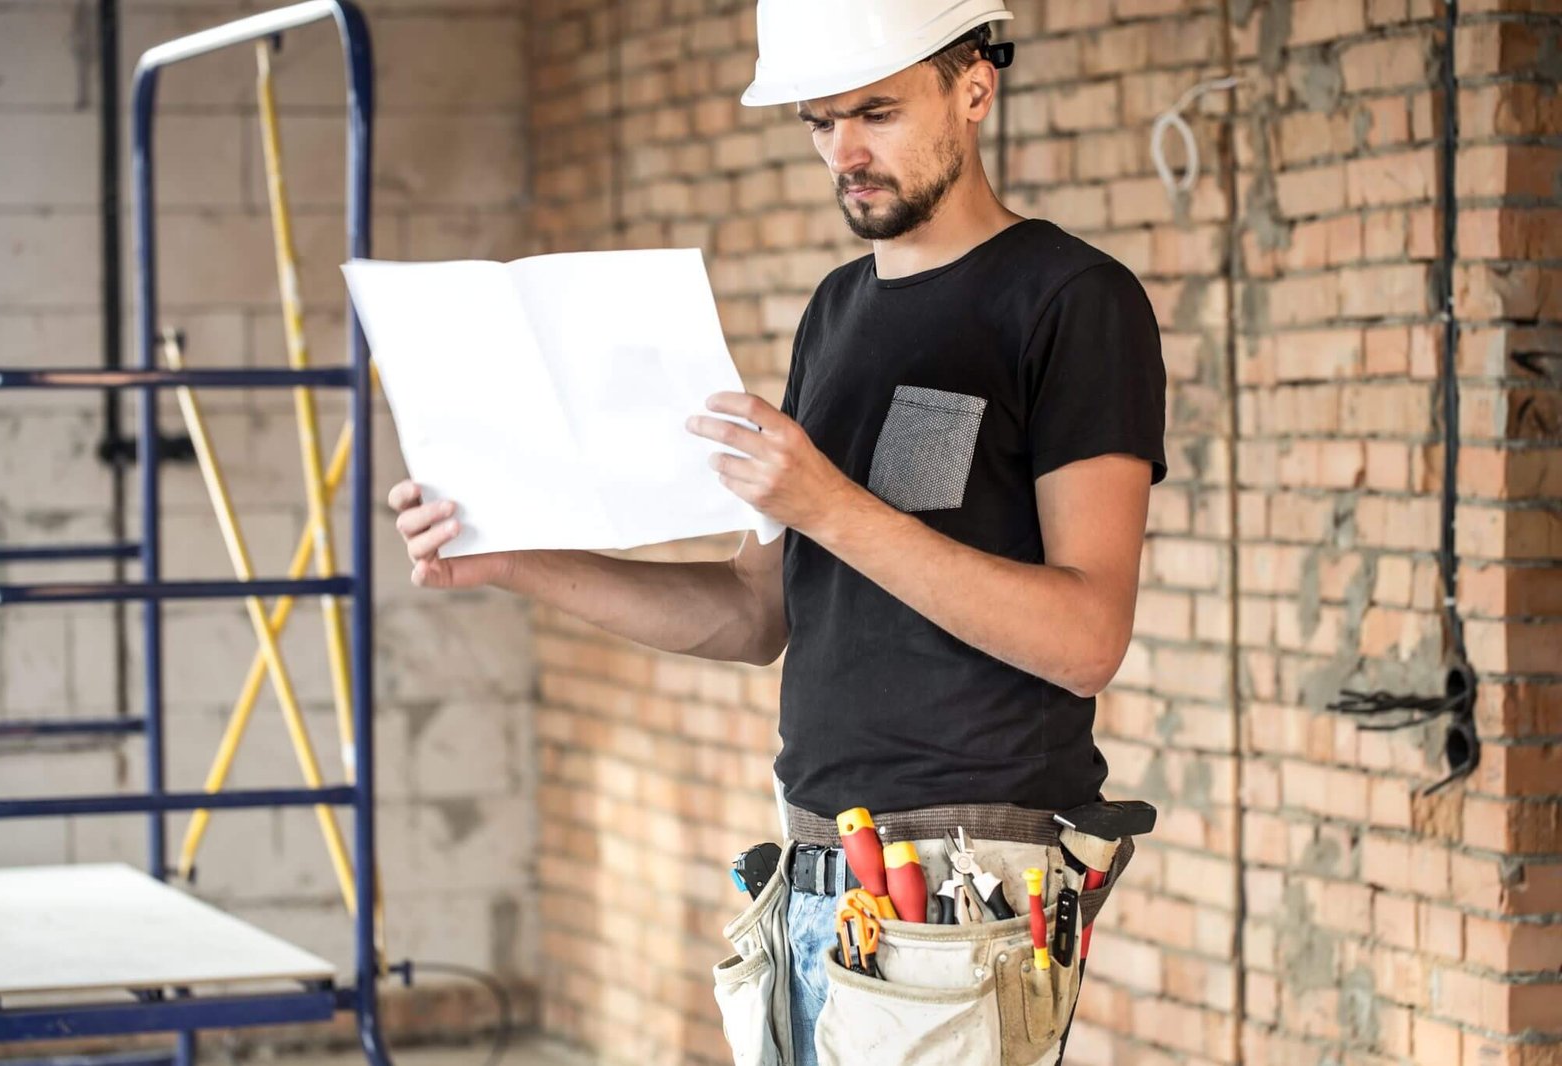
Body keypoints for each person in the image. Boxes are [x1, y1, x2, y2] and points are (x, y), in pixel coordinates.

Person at [388, 2, 1167, 1062]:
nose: (843, 151)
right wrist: (511, 554)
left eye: (877, 112)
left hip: (967, 877)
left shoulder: (1073, 301)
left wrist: (826, 503)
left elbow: (1087, 638)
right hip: (817, 864)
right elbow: (755, 614)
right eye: (818, 121)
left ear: (974, 87)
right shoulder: (835, 313)